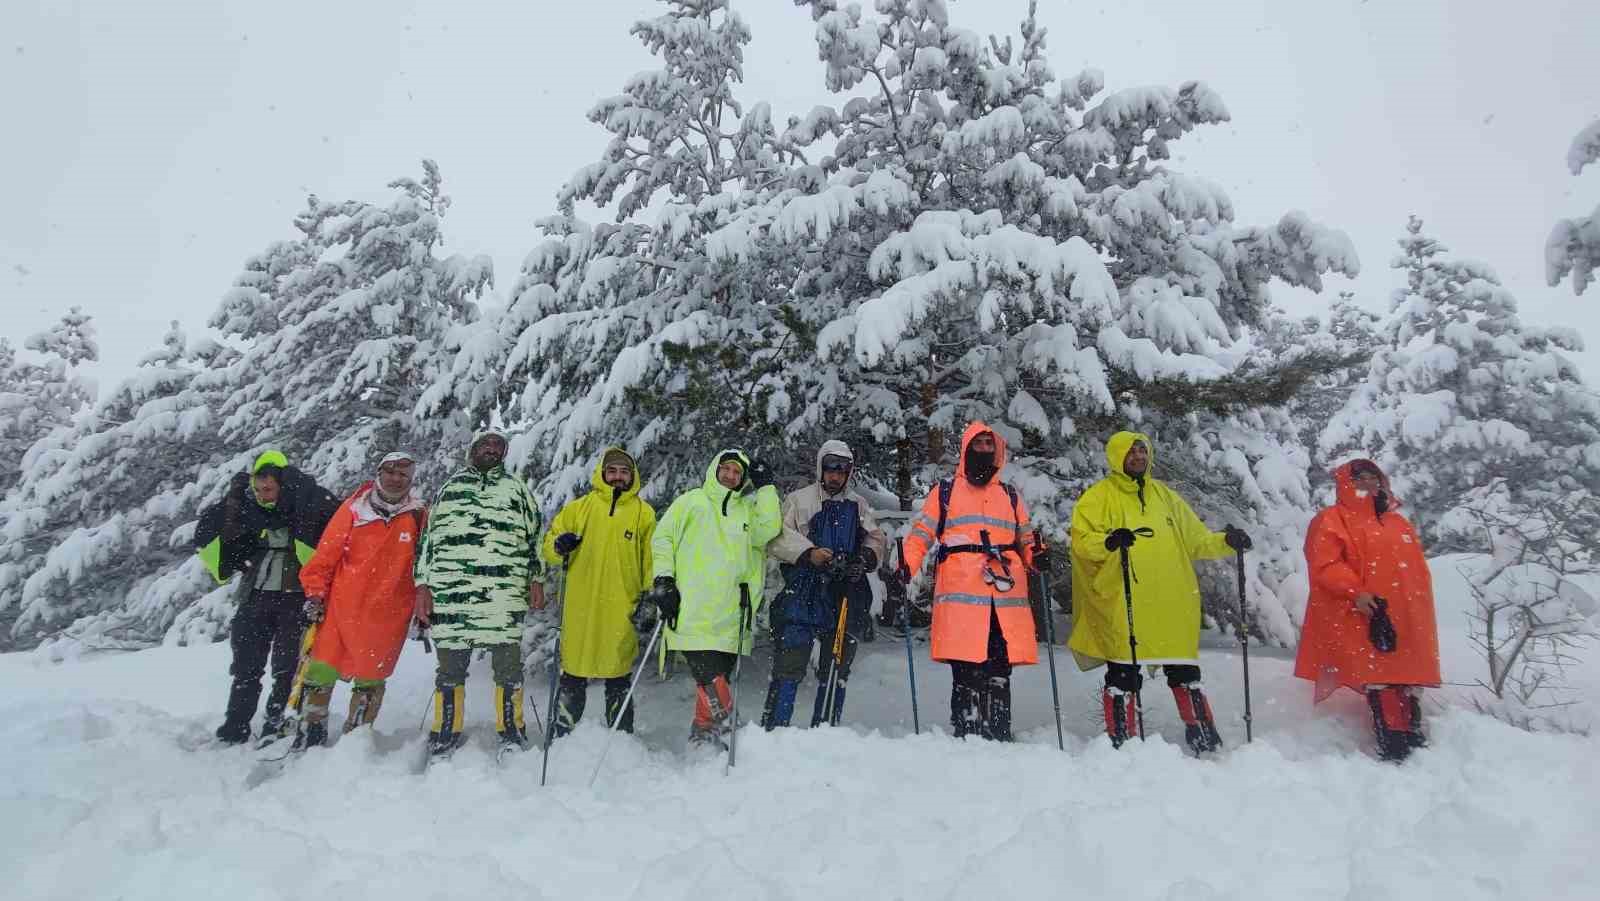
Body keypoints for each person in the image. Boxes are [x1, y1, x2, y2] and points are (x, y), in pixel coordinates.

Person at [1068, 431, 1249, 752]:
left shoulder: (1165, 497)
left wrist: (1225, 541)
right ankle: (1122, 741)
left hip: (1171, 600)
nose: (1138, 456)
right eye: (1131, 452)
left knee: (1185, 671)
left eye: (1142, 450)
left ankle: (1203, 733)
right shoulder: (1098, 497)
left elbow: (1197, 540)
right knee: (1123, 674)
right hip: (1124, 601)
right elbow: (1082, 541)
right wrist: (1108, 541)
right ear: (1117, 456)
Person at [900, 422, 1041, 741]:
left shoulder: (1010, 495)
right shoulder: (946, 492)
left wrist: (1036, 556)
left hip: (1004, 598)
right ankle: (967, 731)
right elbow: (921, 535)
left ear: (998, 451)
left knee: (1000, 668)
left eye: (990, 445)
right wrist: (906, 565)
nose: (985, 450)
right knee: (965, 668)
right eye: (978, 444)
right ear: (966, 449)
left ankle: (1000, 731)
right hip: (961, 596)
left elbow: (1027, 538)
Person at [1296, 458, 1440, 761]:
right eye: (1359, 477)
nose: (1368, 482)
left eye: (1373, 476)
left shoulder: (1398, 522)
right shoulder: (1332, 519)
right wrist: (1356, 592)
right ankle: (1394, 743)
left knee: (1406, 677)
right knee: (1381, 676)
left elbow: (1414, 569)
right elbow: (1325, 564)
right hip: (1366, 609)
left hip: (1407, 614)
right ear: (1346, 482)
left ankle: (1411, 737)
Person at [413, 431, 545, 757]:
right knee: (449, 671)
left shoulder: (517, 491)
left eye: (498, 446)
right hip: (452, 592)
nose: (491, 449)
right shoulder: (450, 488)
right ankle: (445, 732)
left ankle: (511, 732)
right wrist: (422, 585)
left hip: (503, 593)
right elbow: (428, 540)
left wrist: (537, 579)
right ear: (473, 449)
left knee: (509, 669)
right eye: (485, 444)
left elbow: (534, 537)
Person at [195, 450, 340, 745]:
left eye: (269, 489)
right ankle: (235, 727)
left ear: (283, 484)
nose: (264, 495)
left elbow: (332, 531)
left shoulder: (306, 505)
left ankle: (277, 725)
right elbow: (216, 533)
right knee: (246, 667)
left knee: (287, 668)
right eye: (259, 489)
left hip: (295, 598)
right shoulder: (244, 509)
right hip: (255, 596)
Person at [293, 452, 427, 749]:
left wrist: (424, 603)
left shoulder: (418, 515)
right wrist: (315, 594)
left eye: (403, 475)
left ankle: (356, 740)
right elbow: (325, 557)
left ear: (410, 480)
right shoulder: (354, 510)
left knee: (371, 678)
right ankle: (309, 732)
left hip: (388, 616)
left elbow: (426, 565)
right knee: (321, 671)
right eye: (390, 471)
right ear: (379, 473)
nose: (395, 478)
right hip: (341, 609)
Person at [649, 449, 782, 748]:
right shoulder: (691, 501)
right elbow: (663, 538)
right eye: (726, 469)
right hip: (691, 608)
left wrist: (766, 488)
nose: (731, 476)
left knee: (715, 675)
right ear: (715, 469)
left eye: (737, 472)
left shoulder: (747, 511)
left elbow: (768, 530)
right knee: (708, 673)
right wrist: (663, 579)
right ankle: (727, 728)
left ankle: (702, 730)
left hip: (732, 611)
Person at [761, 440, 888, 728]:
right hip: (804, 588)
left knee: (837, 665)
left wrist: (864, 558)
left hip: (844, 591)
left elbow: (875, 537)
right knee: (790, 661)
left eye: (841, 470)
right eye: (831, 469)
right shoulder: (799, 500)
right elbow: (779, 537)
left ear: (848, 472)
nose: (835, 476)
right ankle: (775, 730)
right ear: (821, 468)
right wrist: (809, 554)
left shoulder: (858, 505)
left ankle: (826, 729)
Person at [542, 447, 656, 736]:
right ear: (602, 473)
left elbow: (651, 561)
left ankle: (621, 735)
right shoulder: (579, 508)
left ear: (633, 476)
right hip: (580, 605)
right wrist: (559, 546)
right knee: (573, 671)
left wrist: (649, 597)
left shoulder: (644, 514)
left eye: (624, 471)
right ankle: (563, 733)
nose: (618, 476)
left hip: (621, 606)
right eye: (613, 471)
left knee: (618, 673)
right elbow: (550, 545)